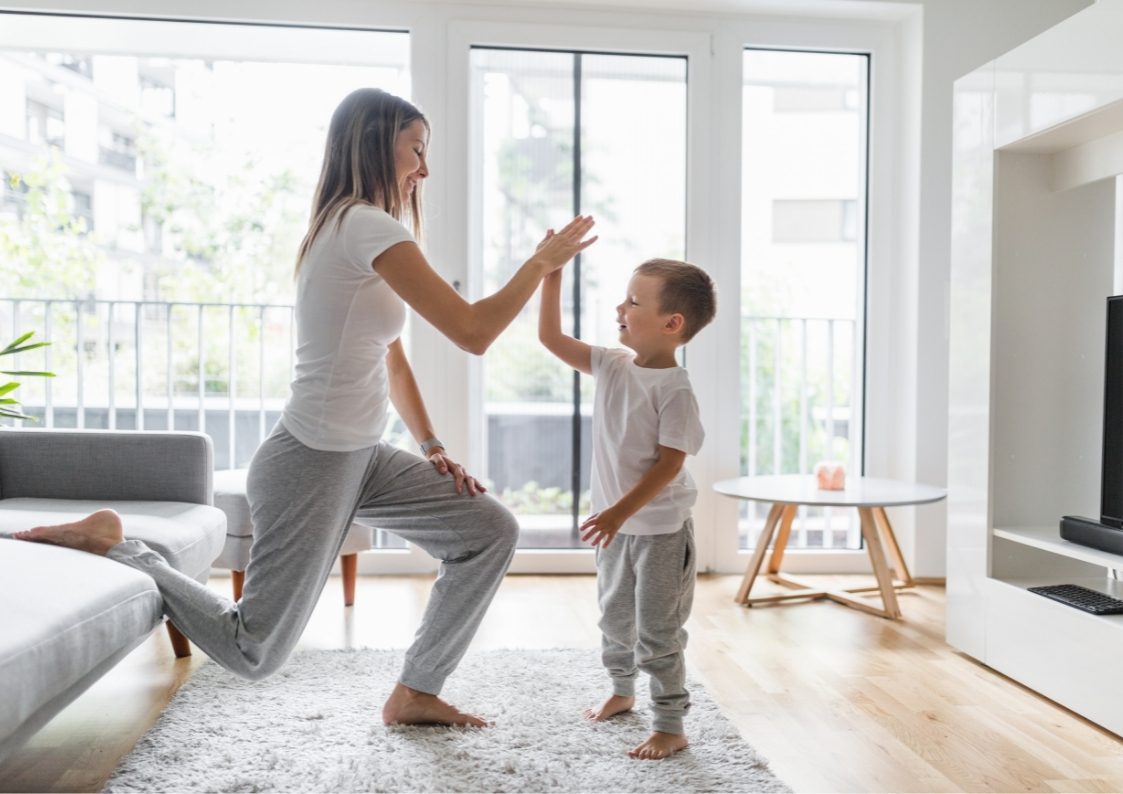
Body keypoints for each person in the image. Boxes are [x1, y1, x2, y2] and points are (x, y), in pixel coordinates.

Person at [11, 87, 596, 728]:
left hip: (361, 457)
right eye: (416, 150)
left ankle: (414, 692)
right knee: (252, 650)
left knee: (489, 530)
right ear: (376, 143)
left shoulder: (355, 226)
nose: (423, 169)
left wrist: (431, 446)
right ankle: (123, 547)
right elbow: (473, 332)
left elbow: (391, 358)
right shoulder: (365, 225)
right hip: (310, 462)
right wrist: (541, 263)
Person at [538, 256, 716, 759]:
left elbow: (668, 464)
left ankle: (669, 724)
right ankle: (621, 688)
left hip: (659, 531)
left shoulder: (675, 390)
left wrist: (618, 511)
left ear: (672, 323)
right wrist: (552, 275)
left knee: (658, 629)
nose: (621, 306)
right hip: (617, 530)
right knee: (615, 617)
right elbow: (551, 339)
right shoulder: (611, 364)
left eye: (634, 301)